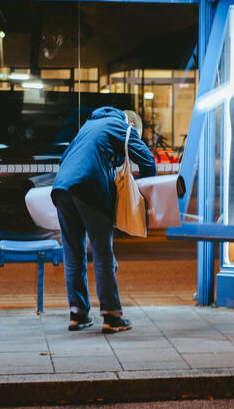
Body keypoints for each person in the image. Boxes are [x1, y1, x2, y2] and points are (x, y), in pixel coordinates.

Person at [51, 107, 156, 333]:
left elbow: (65, 158)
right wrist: (148, 194)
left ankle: (78, 315)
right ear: (131, 125)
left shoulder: (89, 126)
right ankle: (111, 315)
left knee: (73, 253)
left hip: (62, 189)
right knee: (102, 253)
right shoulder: (122, 126)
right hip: (90, 188)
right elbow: (148, 161)